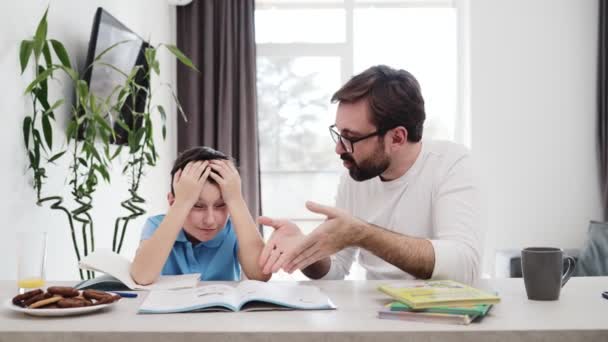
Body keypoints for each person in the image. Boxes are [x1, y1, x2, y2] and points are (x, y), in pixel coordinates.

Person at [258, 65, 481, 284]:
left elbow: (463, 266)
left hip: (441, 313)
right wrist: (305, 250)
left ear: (397, 138)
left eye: (351, 137)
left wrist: (362, 234)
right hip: (375, 311)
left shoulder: (451, 163)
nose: (339, 149)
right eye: (339, 134)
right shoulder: (357, 173)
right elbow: (336, 270)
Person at [131, 146, 270, 284]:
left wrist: (235, 199)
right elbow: (142, 276)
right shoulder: (156, 225)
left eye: (221, 205)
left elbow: (260, 275)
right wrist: (182, 202)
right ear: (172, 202)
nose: (210, 221)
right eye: (197, 206)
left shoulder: (234, 229)